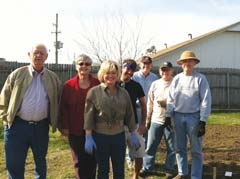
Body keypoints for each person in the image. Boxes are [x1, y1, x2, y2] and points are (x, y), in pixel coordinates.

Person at [0, 43, 62, 179]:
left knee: (40, 163)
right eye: (35, 53)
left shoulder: (53, 78)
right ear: (29, 55)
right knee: (14, 164)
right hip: (17, 127)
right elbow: (3, 99)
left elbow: (58, 101)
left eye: (42, 53)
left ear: (46, 56)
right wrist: (6, 119)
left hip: (40, 127)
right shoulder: (17, 74)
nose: (38, 55)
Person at [83, 60, 140, 179]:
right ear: (102, 74)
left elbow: (129, 114)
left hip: (118, 136)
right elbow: (89, 115)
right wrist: (88, 136)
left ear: (118, 74)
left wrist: (133, 133)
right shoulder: (94, 92)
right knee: (103, 170)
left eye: (113, 73)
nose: (110, 76)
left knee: (119, 170)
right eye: (107, 73)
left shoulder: (124, 93)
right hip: (100, 136)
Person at [166, 51, 212, 179]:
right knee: (179, 147)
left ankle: (196, 176)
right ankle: (182, 172)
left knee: (196, 149)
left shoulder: (200, 79)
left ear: (194, 63)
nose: (188, 63)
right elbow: (170, 99)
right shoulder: (176, 79)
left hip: (194, 117)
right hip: (178, 116)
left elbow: (206, 100)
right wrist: (168, 116)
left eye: (190, 61)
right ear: (181, 64)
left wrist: (203, 121)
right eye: (185, 61)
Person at [59, 54, 99, 179]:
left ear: (91, 67)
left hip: (94, 130)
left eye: (87, 64)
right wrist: (64, 127)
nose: (84, 66)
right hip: (75, 130)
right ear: (76, 66)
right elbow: (63, 108)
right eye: (81, 63)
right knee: (78, 162)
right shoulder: (68, 86)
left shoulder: (97, 84)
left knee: (92, 161)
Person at [140, 62, 176, 179]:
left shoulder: (176, 84)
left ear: (172, 71)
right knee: (150, 146)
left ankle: (169, 169)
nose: (165, 72)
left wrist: (168, 103)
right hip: (156, 119)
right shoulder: (155, 84)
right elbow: (150, 102)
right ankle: (147, 168)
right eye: (163, 70)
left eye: (167, 70)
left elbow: (181, 101)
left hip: (172, 121)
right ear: (160, 71)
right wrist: (148, 118)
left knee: (172, 147)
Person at [119, 59, 147, 179]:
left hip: (133, 126)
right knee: (117, 155)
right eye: (128, 68)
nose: (129, 72)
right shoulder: (114, 84)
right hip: (117, 126)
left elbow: (143, 105)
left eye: (132, 70)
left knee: (139, 153)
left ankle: (135, 175)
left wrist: (142, 124)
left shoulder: (136, 86)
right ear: (122, 67)